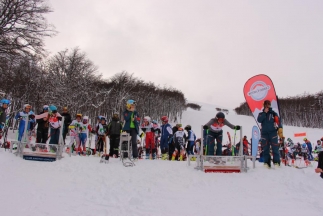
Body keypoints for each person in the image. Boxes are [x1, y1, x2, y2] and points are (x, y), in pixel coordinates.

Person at [257, 100, 283, 168]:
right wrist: (264, 113)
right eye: (266, 104)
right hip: (264, 134)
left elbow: (279, 122)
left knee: (275, 148)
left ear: (270, 105)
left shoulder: (273, 114)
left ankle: (276, 162)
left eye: (268, 104)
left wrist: (280, 128)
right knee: (266, 149)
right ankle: (267, 163)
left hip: (273, 133)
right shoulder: (261, 114)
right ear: (264, 105)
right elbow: (259, 120)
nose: (267, 106)